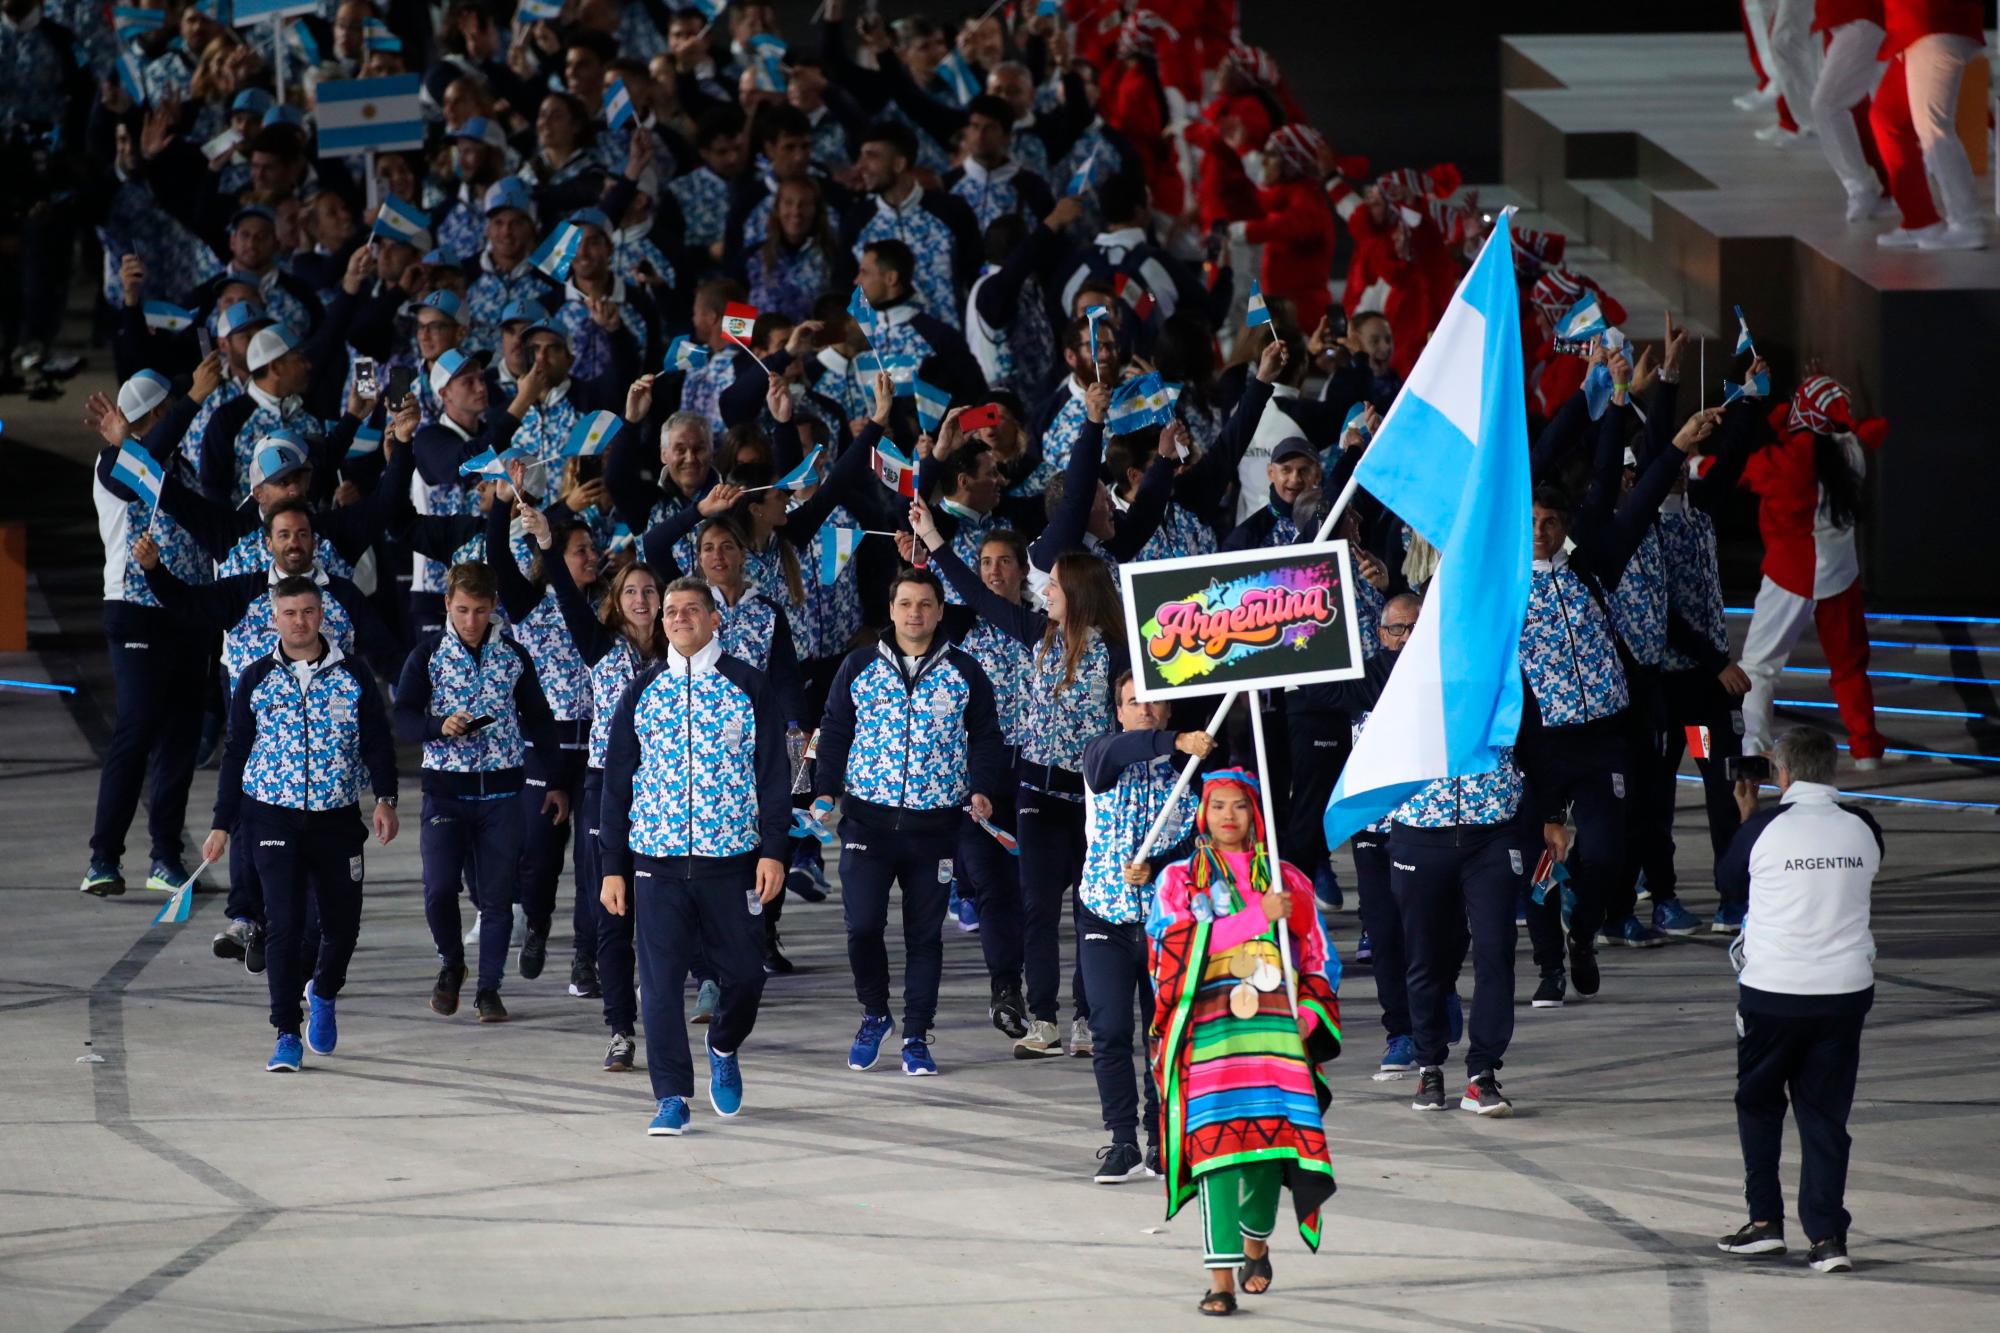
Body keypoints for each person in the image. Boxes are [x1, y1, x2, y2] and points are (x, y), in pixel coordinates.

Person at [913, 495, 1128, 1059]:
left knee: (1091, 906)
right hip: (1036, 792)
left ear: (1076, 591)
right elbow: (980, 595)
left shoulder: (1116, 652)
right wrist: (935, 540)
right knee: (1036, 908)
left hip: (1091, 796)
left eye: (1053, 584)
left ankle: (1087, 1019)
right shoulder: (1037, 635)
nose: (1044, 590)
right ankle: (1045, 1020)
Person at [597, 577, 792, 1137]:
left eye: (692, 610)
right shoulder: (642, 691)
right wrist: (613, 865)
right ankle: (672, 1096)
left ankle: (724, 1043)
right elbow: (616, 784)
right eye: (672, 611)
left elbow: (773, 778)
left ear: (714, 621)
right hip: (654, 863)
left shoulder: (747, 686)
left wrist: (774, 851)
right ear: (662, 624)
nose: (680, 618)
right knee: (658, 987)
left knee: (746, 978)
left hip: (731, 862)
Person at [1148, 769, 1341, 1316]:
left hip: (1276, 1038)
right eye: (1217, 807)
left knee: (1267, 1148)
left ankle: (1257, 1240)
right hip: (1208, 1035)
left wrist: (1307, 1012)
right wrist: (1258, 917)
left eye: (1239, 807)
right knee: (1214, 1153)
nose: (1228, 817)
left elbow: (1319, 955)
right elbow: (1171, 946)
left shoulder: (1287, 879)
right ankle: (1220, 1278)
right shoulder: (1179, 879)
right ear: (1201, 815)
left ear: (1255, 816)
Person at [812, 566, 1007, 1077]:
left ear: (940, 611)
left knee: (925, 938)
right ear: (891, 609)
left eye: (925, 604)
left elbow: (986, 735)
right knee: (861, 929)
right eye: (905, 604)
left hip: (935, 829)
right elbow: (833, 730)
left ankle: (917, 1035)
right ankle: (874, 1015)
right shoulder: (858, 666)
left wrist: (982, 789)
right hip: (866, 827)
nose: (915, 613)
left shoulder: (965, 671)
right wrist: (824, 790)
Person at [203, 576, 399, 1073]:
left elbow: (377, 741)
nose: (300, 621)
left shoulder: (353, 675)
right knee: (284, 926)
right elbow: (235, 753)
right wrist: (222, 824)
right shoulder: (255, 677)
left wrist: (385, 798)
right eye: (289, 613)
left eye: (308, 611)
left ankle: (325, 991)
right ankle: (286, 1032)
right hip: (272, 817)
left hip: (337, 820)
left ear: (321, 614)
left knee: (341, 926)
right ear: (275, 618)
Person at [1714, 726, 1883, 1275]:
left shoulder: (1763, 828)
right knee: (1825, 1115)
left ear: (1780, 774)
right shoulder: (1864, 829)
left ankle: (1765, 1224)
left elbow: (1729, 882)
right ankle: (1828, 1237)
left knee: (1760, 1104)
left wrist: (1747, 815)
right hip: (1843, 995)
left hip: (1773, 994)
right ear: (1830, 770)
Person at [394, 562, 565, 1023]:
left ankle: (489, 988)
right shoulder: (426, 655)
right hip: (445, 793)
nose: (471, 621)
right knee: (439, 889)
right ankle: (451, 964)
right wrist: (437, 726)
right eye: (463, 610)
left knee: (497, 897)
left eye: (481, 611)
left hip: (502, 796)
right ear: (447, 604)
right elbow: (403, 718)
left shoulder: (513, 656)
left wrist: (554, 781)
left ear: (494, 609)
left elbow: (541, 720)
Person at [1078, 672, 1211, 1182]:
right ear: (1118, 712)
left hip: (1167, 924)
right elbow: (1112, 757)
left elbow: (1200, 842)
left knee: (1165, 1035)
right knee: (1109, 1030)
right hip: (1104, 918)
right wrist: (1173, 740)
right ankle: (1121, 1140)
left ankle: (1161, 1139)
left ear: (1171, 710)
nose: (1146, 710)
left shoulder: (1191, 768)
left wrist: (1159, 866)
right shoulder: (1100, 754)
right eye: (1135, 702)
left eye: (1156, 702)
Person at [1735, 373, 1888, 767]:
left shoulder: (1796, 460)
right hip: (1840, 573)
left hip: (1793, 573)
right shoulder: (1851, 448)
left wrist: (1696, 460)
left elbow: (1750, 470)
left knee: (1758, 667)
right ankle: (1866, 748)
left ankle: (1753, 747)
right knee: (1850, 665)